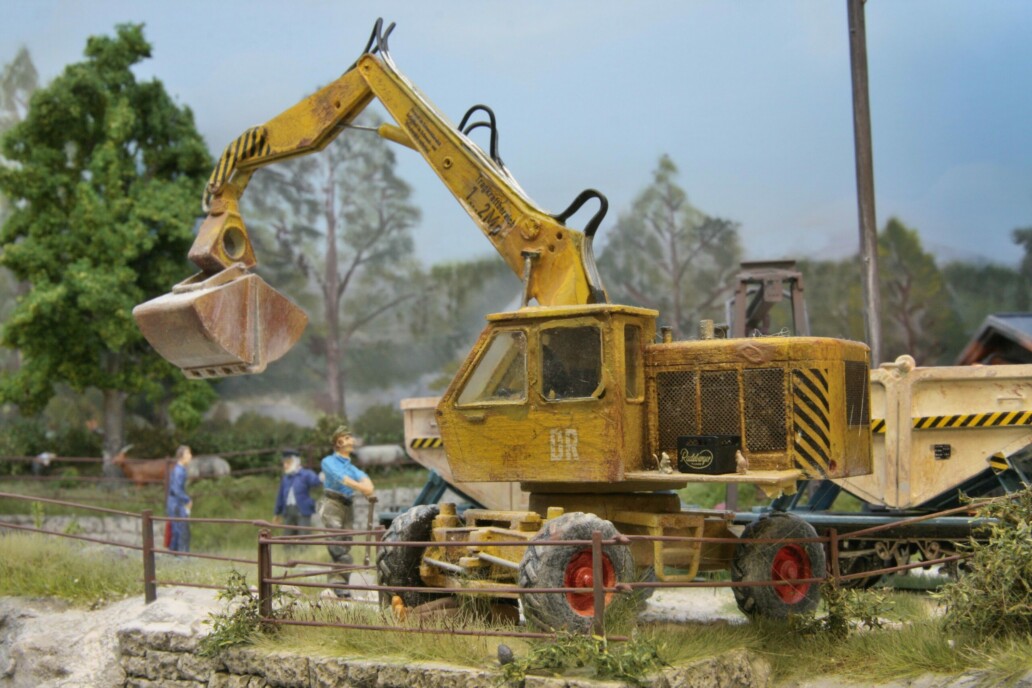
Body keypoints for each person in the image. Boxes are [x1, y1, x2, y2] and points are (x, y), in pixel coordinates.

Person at [318, 426, 375, 598]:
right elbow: (340, 477)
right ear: (339, 442)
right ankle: (338, 585)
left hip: (347, 506)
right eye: (347, 438)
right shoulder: (328, 462)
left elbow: (366, 481)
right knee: (337, 545)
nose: (352, 441)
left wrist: (367, 488)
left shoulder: (350, 466)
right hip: (333, 504)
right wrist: (361, 488)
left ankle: (341, 583)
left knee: (346, 542)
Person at [274, 449, 321, 542]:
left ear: (295, 462)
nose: (285, 465)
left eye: (288, 462)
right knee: (287, 534)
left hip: (302, 509)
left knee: (304, 533)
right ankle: (288, 553)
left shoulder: (306, 474)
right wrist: (277, 512)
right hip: (288, 510)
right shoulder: (286, 478)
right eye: (284, 463)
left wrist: (322, 477)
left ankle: (304, 553)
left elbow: (316, 482)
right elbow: (280, 496)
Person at [166, 445, 193, 552]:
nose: (190, 456)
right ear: (181, 456)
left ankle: (177, 552)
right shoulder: (179, 471)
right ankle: (180, 553)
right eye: (188, 453)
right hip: (176, 503)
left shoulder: (180, 470)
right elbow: (177, 490)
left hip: (177, 501)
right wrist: (187, 500)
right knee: (180, 528)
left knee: (179, 527)